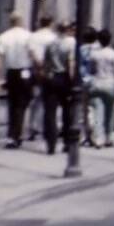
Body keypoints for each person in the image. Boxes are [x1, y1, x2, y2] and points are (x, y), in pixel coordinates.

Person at [0, 11, 33, 149]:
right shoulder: (28, 36)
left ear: (11, 22)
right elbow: (32, 53)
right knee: (22, 104)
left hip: (11, 72)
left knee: (12, 104)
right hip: (25, 71)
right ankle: (17, 134)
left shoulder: (4, 37)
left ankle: (12, 135)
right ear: (21, 21)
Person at [41, 21, 76, 155]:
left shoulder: (50, 44)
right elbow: (71, 63)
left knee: (50, 112)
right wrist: (73, 82)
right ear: (67, 30)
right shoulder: (70, 43)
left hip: (51, 78)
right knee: (67, 111)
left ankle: (51, 144)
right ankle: (67, 142)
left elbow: (45, 64)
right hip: (65, 78)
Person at [89, 29, 114, 148]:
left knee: (98, 111)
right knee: (110, 112)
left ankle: (98, 138)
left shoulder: (94, 54)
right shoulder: (113, 54)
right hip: (110, 84)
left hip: (97, 83)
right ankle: (108, 137)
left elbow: (92, 70)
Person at [26, 15, 57, 142]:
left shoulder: (33, 36)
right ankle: (46, 127)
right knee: (49, 102)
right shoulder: (53, 38)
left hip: (36, 70)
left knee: (36, 100)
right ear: (51, 23)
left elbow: (31, 53)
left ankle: (33, 127)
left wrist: (38, 65)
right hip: (50, 72)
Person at [79, 27, 100, 147]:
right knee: (95, 109)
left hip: (84, 81)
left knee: (84, 109)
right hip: (96, 81)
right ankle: (94, 135)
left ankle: (84, 135)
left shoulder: (81, 50)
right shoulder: (99, 49)